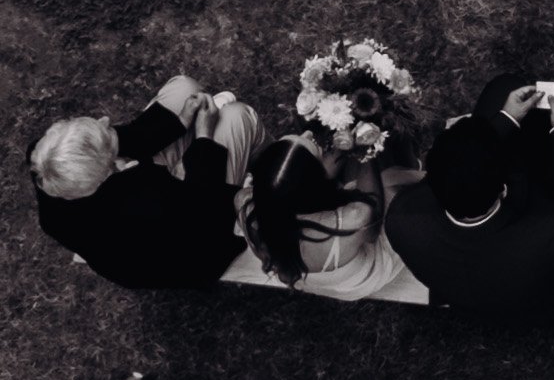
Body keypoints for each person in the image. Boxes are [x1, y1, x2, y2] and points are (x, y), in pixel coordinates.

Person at [386, 75, 554, 322]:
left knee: (503, 86)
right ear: (504, 188)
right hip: (546, 283)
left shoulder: (402, 217)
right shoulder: (551, 231)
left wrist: (508, 117)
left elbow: (462, 166)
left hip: (473, 277)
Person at [29, 73, 260, 290]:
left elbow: (130, 140)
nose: (106, 119)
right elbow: (204, 203)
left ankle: (203, 137)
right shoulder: (145, 202)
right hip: (193, 244)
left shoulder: (47, 161)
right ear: (113, 169)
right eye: (106, 134)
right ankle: (267, 162)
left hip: (163, 201)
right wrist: (203, 136)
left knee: (184, 88)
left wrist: (180, 121)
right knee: (236, 116)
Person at [242, 128, 414, 300]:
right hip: (359, 280)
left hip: (304, 268)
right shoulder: (354, 217)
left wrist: (346, 141)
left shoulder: (244, 202)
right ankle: (409, 161)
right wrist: (364, 150)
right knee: (392, 181)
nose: (308, 133)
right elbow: (372, 208)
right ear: (315, 183)